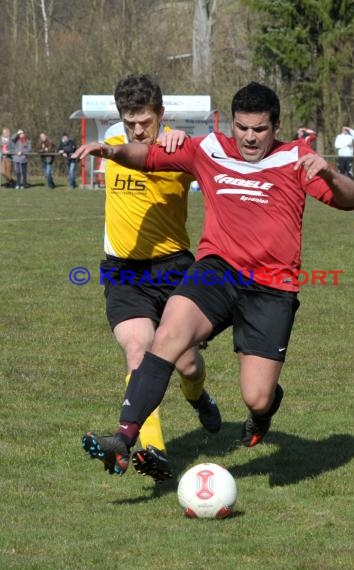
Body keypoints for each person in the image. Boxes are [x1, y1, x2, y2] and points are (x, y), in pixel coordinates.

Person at [73, 81, 354, 477]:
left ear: (275, 126)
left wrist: (329, 172)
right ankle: (123, 439)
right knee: (166, 336)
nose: (249, 137)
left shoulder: (298, 158)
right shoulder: (210, 149)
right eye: (242, 127)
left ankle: (263, 413)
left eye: (259, 129)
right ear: (233, 125)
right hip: (216, 271)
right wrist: (112, 151)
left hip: (270, 286)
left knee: (257, 397)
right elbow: (149, 156)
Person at [79, 74, 221, 481]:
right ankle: (151, 451)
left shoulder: (180, 147)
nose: (137, 130)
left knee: (188, 364)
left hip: (173, 268)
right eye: (130, 122)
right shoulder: (111, 140)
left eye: (145, 121)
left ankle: (197, 396)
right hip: (123, 272)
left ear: (161, 114)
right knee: (138, 352)